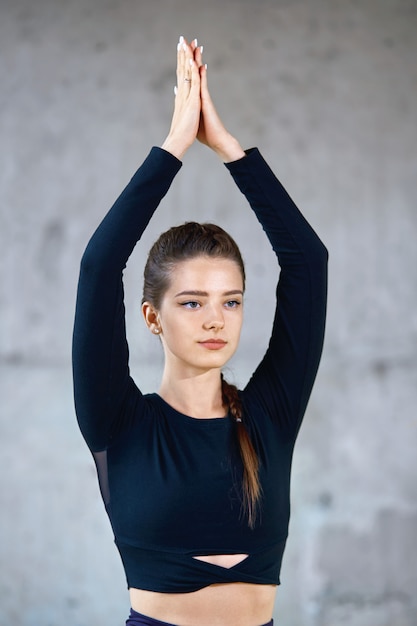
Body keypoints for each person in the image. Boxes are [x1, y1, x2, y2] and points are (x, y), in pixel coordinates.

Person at [72, 36, 328, 626]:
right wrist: (175, 148)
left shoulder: (271, 414)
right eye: (191, 302)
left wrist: (234, 152)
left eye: (230, 301)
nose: (216, 318)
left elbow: (307, 262)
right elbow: (98, 266)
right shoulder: (117, 421)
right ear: (152, 316)